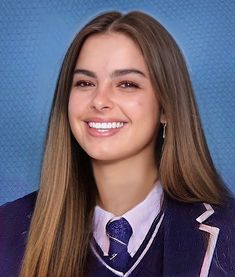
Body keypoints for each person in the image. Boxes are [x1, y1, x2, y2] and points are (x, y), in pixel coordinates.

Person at [0, 10, 234, 277]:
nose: (99, 101)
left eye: (126, 84)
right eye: (85, 82)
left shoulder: (230, 233)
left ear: (167, 107)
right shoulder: (6, 230)